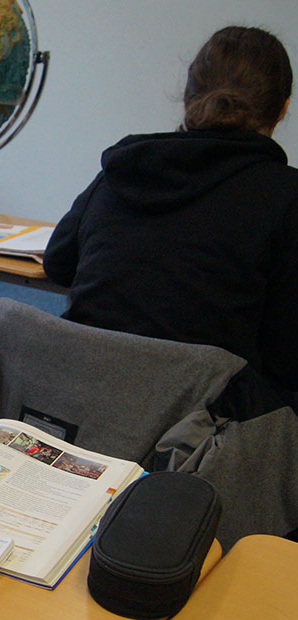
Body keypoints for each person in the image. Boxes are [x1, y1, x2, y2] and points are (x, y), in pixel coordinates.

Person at [43, 26, 298, 393]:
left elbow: (58, 262)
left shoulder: (124, 167)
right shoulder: (286, 198)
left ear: (188, 96)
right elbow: (286, 353)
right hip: (201, 434)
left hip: (80, 400)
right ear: (283, 109)